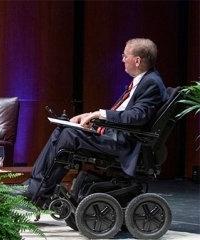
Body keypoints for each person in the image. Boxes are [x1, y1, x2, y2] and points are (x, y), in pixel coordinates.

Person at [24, 38, 168, 204]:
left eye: (125, 55)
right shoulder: (144, 80)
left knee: (70, 135)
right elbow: (126, 113)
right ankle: (36, 188)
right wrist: (91, 115)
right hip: (115, 134)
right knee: (62, 129)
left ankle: (39, 192)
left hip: (124, 143)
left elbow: (137, 116)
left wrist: (100, 115)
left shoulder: (152, 83)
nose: (122, 59)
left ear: (137, 60)